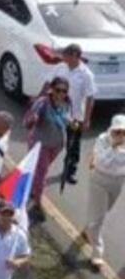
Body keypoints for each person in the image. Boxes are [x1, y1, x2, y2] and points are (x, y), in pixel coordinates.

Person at [23, 78, 70, 222]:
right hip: (40, 145)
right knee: (42, 175)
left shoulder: (67, 103)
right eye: (58, 90)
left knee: (39, 172)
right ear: (52, 89)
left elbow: (66, 119)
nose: (60, 94)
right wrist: (34, 119)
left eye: (64, 91)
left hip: (56, 145)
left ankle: (31, 190)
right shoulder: (43, 103)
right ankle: (38, 204)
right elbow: (28, 122)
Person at [83, 114, 125, 271]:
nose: (121, 135)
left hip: (117, 182)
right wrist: (115, 148)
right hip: (99, 180)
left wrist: (117, 153)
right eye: (118, 131)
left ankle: (89, 228)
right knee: (98, 218)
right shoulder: (102, 140)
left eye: (124, 132)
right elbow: (101, 161)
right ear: (111, 130)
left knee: (103, 211)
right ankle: (97, 253)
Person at [50, 43, 96, 186]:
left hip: (75, 116)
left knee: (73, 145)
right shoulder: (60, 67)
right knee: (50, 140)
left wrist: (87, 120)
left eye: (66, 55)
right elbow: (49, 84)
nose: (63, 57)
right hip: (56, 112)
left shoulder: (86, 75)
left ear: (75, 56)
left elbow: (90, 97)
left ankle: (70, 170)